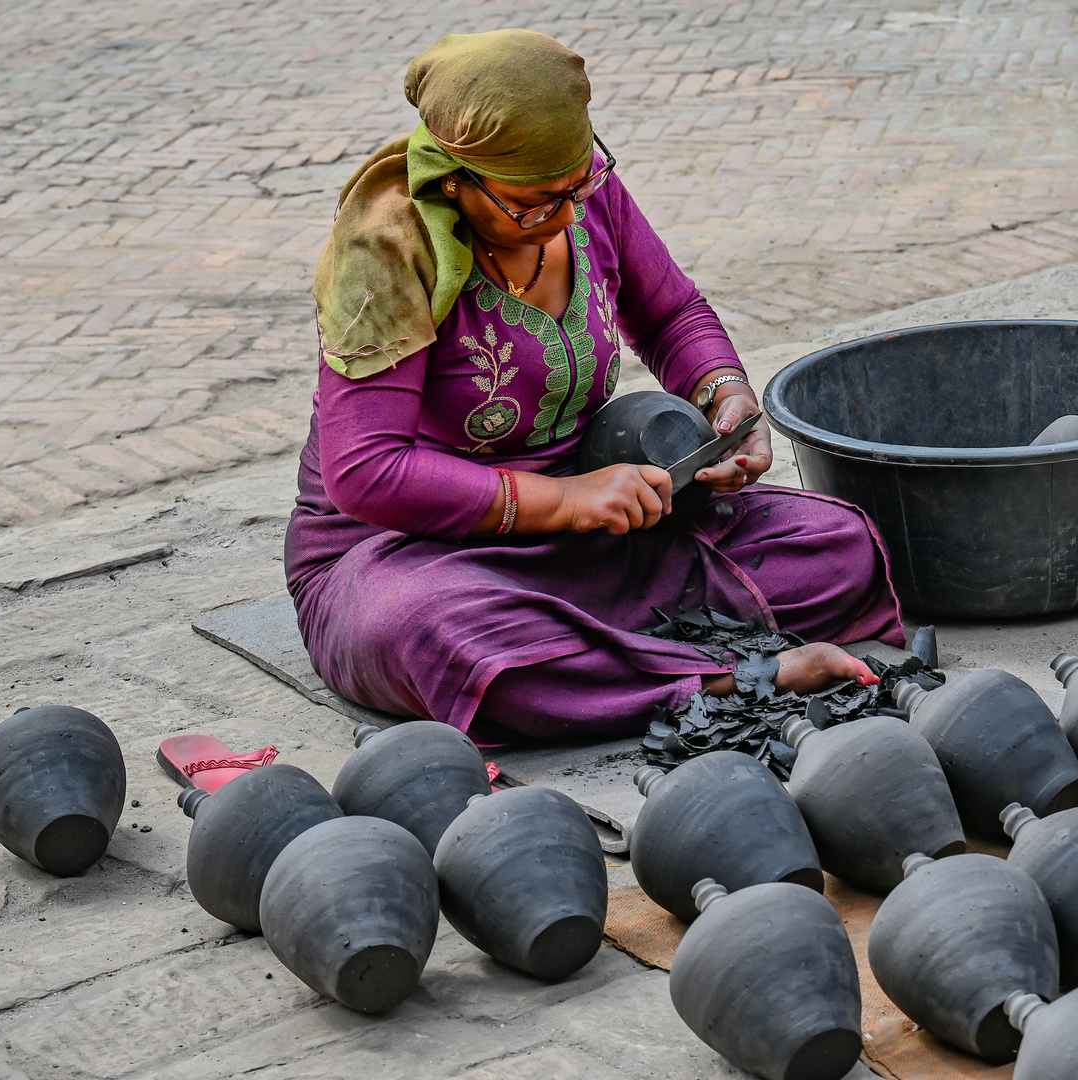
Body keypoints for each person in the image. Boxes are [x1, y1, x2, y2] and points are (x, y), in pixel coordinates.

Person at [286, 30, 903, 745]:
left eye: (577, 185)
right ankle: (720, 679)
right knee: (430, 635)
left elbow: (672, 314)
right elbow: (369, 472)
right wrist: (564, 501)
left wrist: (724, 396)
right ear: (457, 179)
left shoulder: (580, 191)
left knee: (843, 545)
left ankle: (605, 661)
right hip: (408, 554)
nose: (570, 215)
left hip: (595, 530)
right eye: (536, 203)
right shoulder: (388, 252)